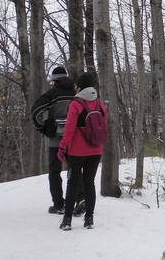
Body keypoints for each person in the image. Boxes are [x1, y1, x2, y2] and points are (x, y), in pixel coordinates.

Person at [31, 66, 84, 215]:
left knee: (55, 172)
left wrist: (43, 128)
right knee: (75, 169)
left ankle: (59, 204)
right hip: (74, 139)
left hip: (55, 140)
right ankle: (80, 200)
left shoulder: (52, 94)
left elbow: (35, 111)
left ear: (54, 80)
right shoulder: (76, 93)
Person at [58, 72, 107, 230]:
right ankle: (89, 219)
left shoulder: (76, 104)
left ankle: (67, 220)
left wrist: (62, 147)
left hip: (77, 152)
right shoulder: (100, 104)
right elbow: (102, 126)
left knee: (73, 183)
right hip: (96, 150)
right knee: (89, 183)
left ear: (79, 87)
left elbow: (69, 129)